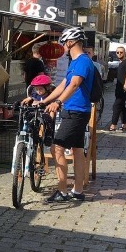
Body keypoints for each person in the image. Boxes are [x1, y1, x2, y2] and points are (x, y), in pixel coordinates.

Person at [34, 27, 93, 203]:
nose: (63, 46)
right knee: (76, 150)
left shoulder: (82, 61)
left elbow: (74, 84)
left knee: (57, 147)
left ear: (71, 41)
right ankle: (78, 190)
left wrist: (58, 102)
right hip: (74, 110)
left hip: (76, 111)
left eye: (64, 42)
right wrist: (44, 101)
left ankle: (62, 191)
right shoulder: (75, 62)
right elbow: (63, 85)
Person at [108, 47, 126, 131]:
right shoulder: (121, 62)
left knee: (116, 105)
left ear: (124, 53)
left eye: (121, 52)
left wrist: (125, 86)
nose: (119, 54)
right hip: (119, 87)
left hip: (124, 88)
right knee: (122, 106)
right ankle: (124, 125)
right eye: (117, 52)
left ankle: (113, 125)